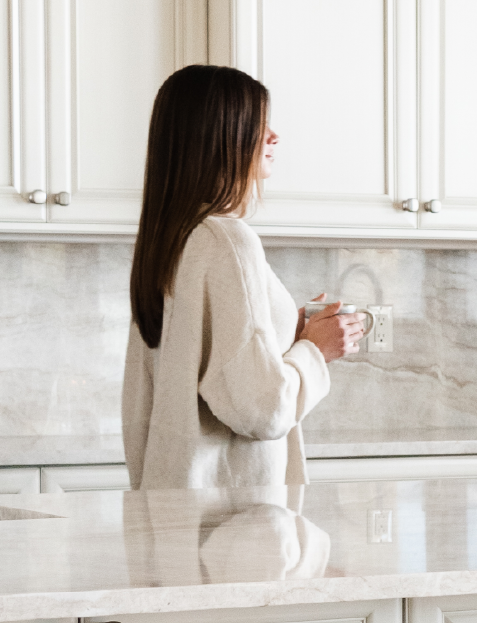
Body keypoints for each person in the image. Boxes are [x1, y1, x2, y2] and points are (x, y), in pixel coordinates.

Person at [123, 65, 366, 490]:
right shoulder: (227, 242)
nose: (273, 136)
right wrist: (314, 351)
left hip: (172, 517)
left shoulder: (173, 240)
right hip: (230, 532)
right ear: (219, 136)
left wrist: (291, 332)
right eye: (257, 124)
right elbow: (260, 408)